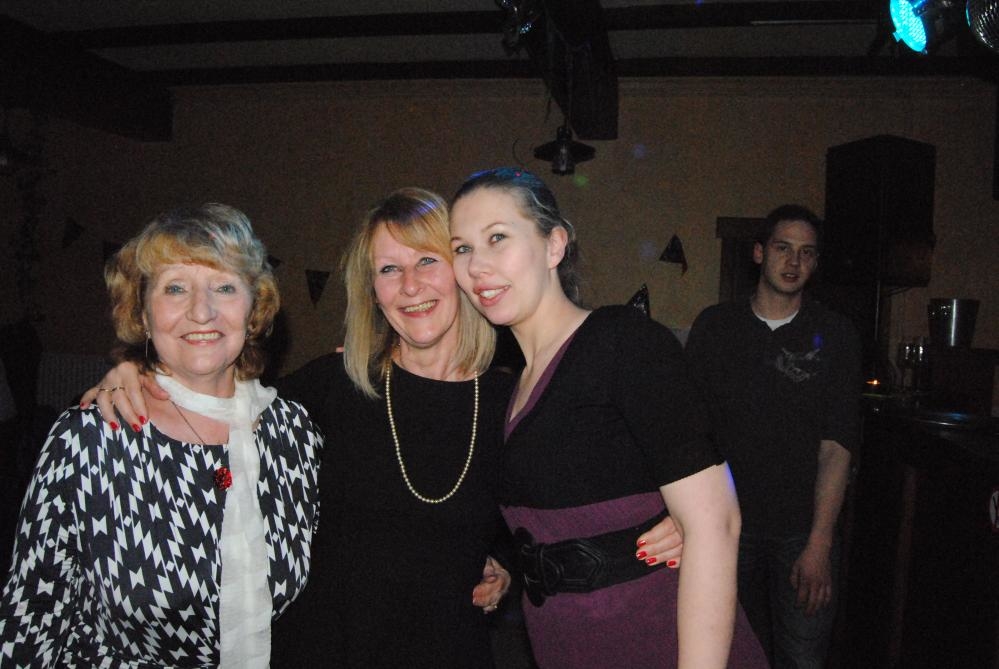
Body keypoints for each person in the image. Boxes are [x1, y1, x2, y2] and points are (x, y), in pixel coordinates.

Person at [81, 188, 686, 667]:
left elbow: (586, 484)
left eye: (428, 261)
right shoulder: (330, 387)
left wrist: (677, 520)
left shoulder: (513, 398)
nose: (411, 286)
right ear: (372, 290)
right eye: (389, 269)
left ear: (463, 271)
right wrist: (139, 369)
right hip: (323, 653)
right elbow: (213, 407)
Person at [448, 167, 768, 668]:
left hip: (654, 635)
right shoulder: (506, 390)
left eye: (497, 238)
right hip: (565, 643)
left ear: (554, 245)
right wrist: (508, 565)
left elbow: (716, 522)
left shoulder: (621, 341)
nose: (477, 265)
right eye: (462, 248)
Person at [0, 204, 323, 667]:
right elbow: (30, 624)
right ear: (143, 315)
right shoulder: (91, 440)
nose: (202, 311)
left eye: (225, 287)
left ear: (253, 309)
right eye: (175, 288)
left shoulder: (292, 433)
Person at [684, 204, 861, 668]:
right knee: (722, 653)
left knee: (802, 657)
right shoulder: (715, 327)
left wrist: (820, 544)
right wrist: (686, 521)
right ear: (760, 253)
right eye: (783, 248)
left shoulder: (835, 335)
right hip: (724, 525)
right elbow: (689, 433)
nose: (794, 261)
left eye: (806, 252)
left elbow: (837, 448)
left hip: (801, 531)